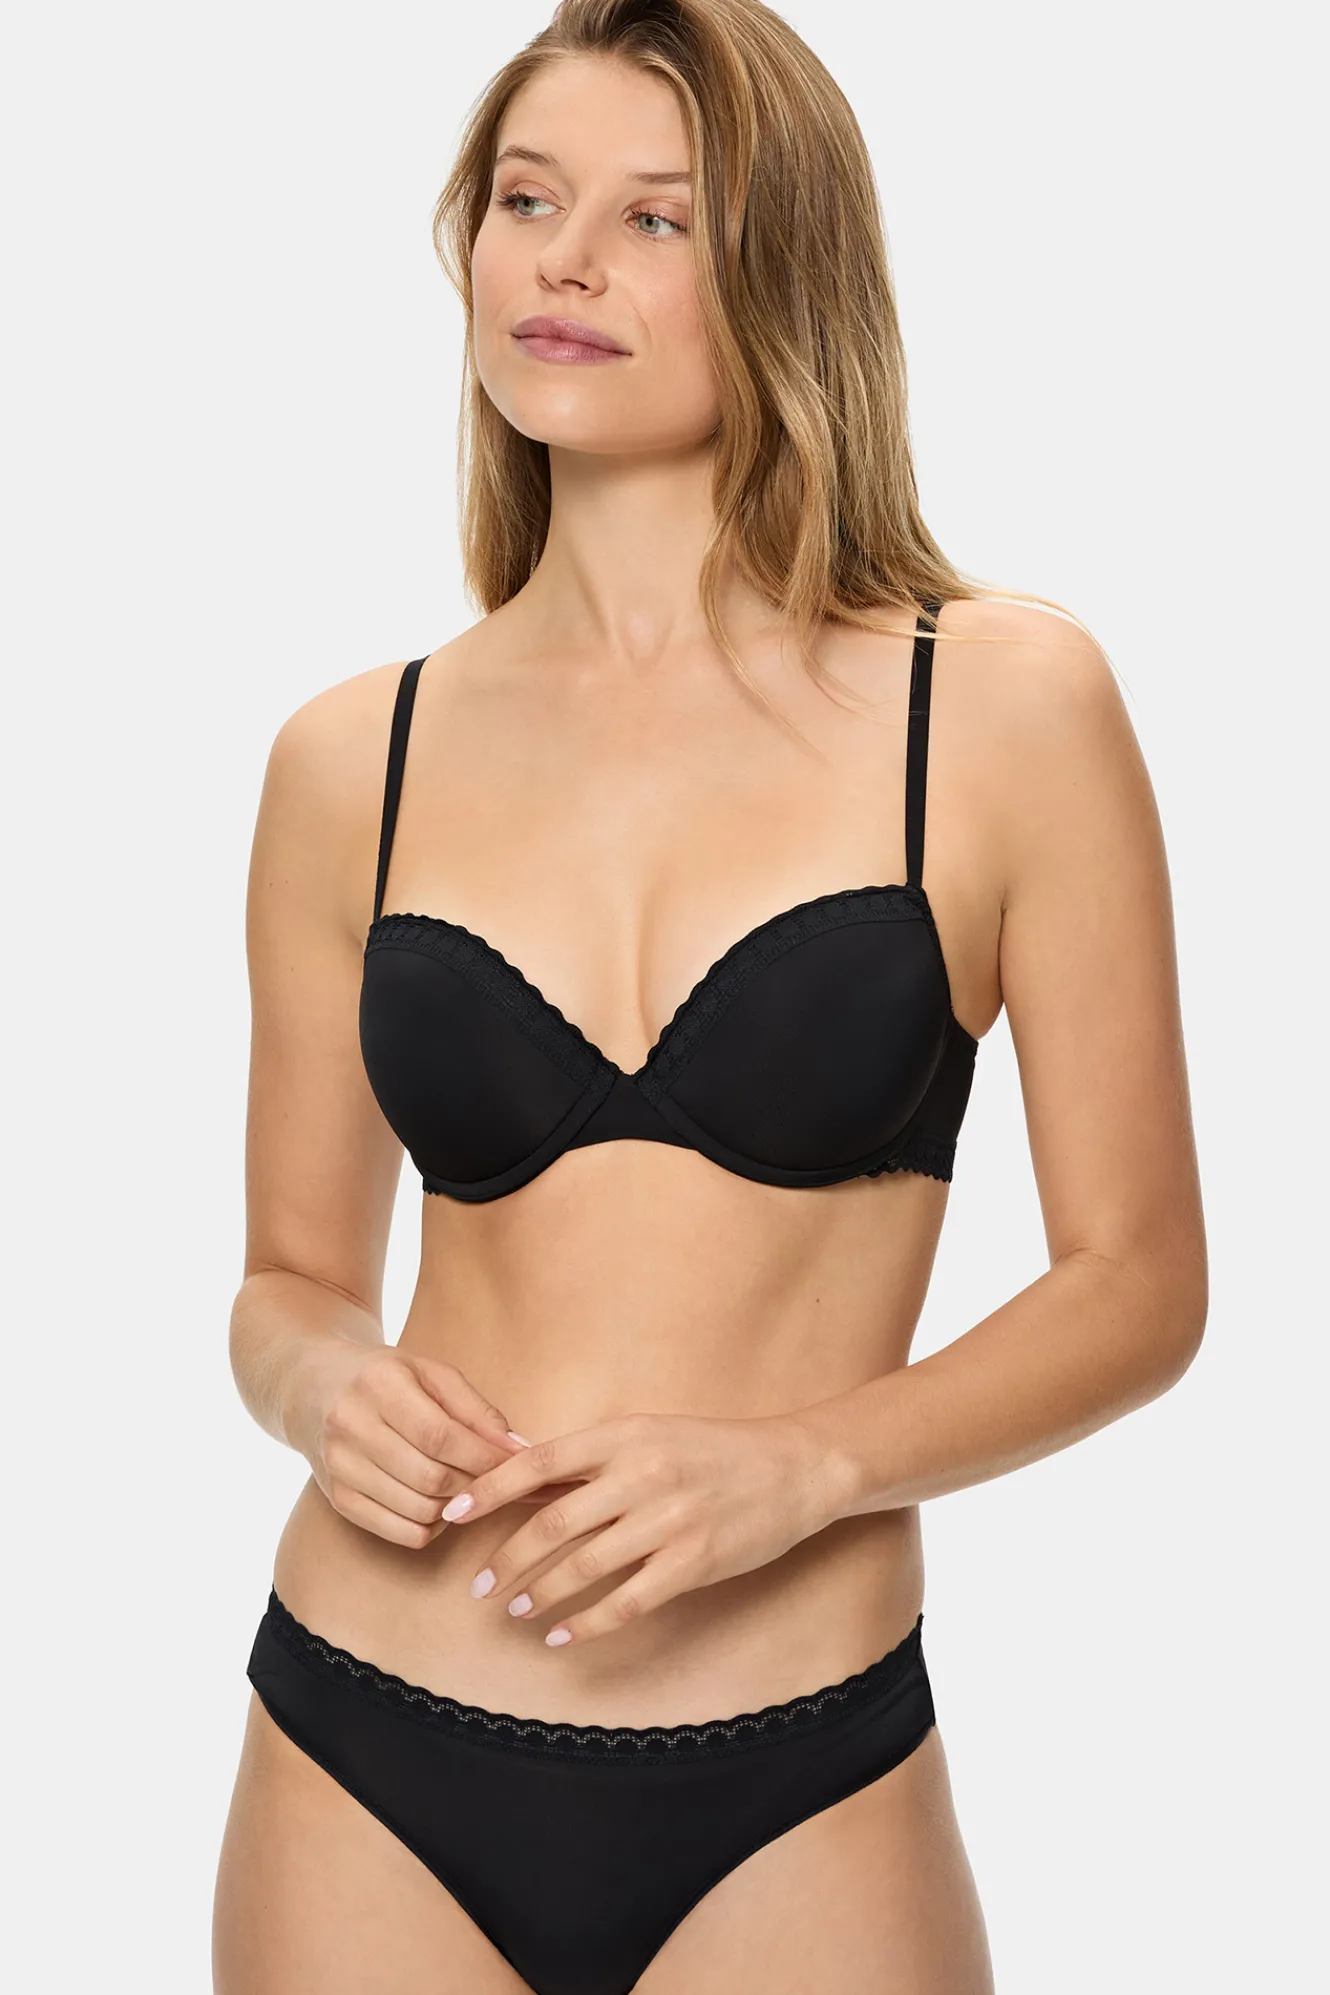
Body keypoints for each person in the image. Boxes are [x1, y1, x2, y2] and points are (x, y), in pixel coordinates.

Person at [212, 3, 1207, 1991]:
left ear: (784, 274)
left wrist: (808, 1464)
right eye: (526, 201)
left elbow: (1139, 1283)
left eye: (654, 218)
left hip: (796, 1763)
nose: (566, 260)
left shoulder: (995, 707)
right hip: (362, 1735)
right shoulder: (352, 757)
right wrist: (321, 1385)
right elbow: (288, 1279)